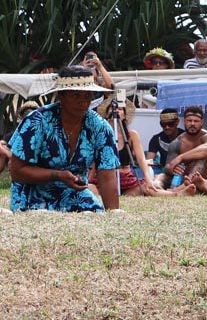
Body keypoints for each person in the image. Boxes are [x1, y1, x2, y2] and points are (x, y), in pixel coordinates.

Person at [7, 66, 121, 212]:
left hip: (74, 193)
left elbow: (107, 176)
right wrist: (58, 175)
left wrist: (113, 213)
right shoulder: (37, 121)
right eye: (76, 95)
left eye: (87, 95)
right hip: (32, 193)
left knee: (94, 214)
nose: (83, 101)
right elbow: (17, 171)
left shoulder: (100, 127)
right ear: (61, 96)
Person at [154, 105, 207, 193]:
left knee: (201, 160)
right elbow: (168, 167)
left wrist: (180, 157)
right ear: (184, 121)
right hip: (183, 176)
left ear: (202, 122)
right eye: (189, 120)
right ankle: (156, 187)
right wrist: (172, 168)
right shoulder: (177, 142)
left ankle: (177, 191)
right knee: (161, 176)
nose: (192, 124)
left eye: (196, 121)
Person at [107, 98, 160, 197]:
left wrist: (148, 180)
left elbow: (141, 159)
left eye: (120, 109)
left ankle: (176, 193)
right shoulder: (102, 134)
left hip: (126, 178)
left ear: (125, 114)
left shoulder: (132, 135)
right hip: (107, 178)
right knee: (91, 189)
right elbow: (94, 161)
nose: (116, 111)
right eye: (113, 108)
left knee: (146, 187)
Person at [145, 108, 181, 175]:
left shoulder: (185, 136)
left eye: (170, 124)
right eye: (163, 124)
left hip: (183, 172)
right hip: (165, 172)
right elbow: (149, 162)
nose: (167, 127)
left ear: (177, 122)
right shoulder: (156, 139)